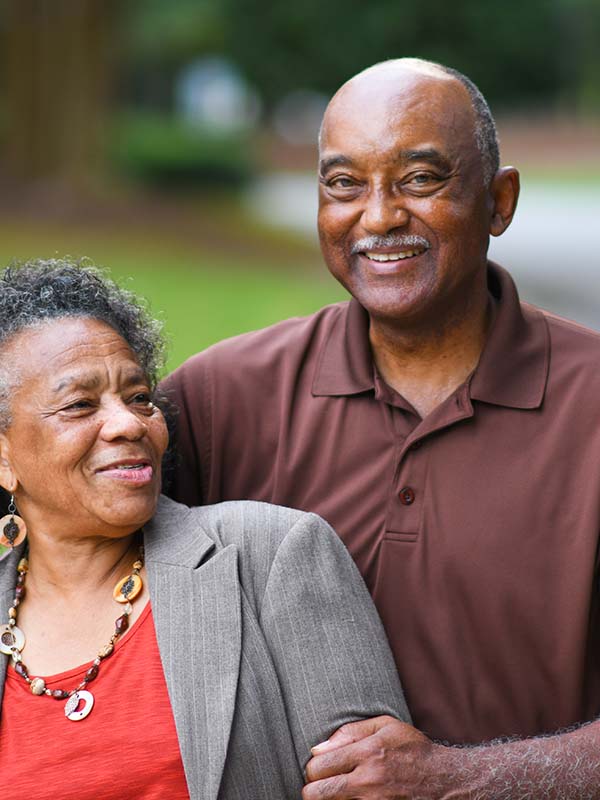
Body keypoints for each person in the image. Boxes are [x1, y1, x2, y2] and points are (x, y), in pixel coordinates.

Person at [162, 58, 600, 798]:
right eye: (343, 184)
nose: (378, 216)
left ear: (499, 200)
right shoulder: (218, 398)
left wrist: (457, 780)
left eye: (421, 179)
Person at [0, 259, 410, 800]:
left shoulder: (271, 555)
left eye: (139, 397)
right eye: (79, 405)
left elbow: (379, 788)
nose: (128, 423)